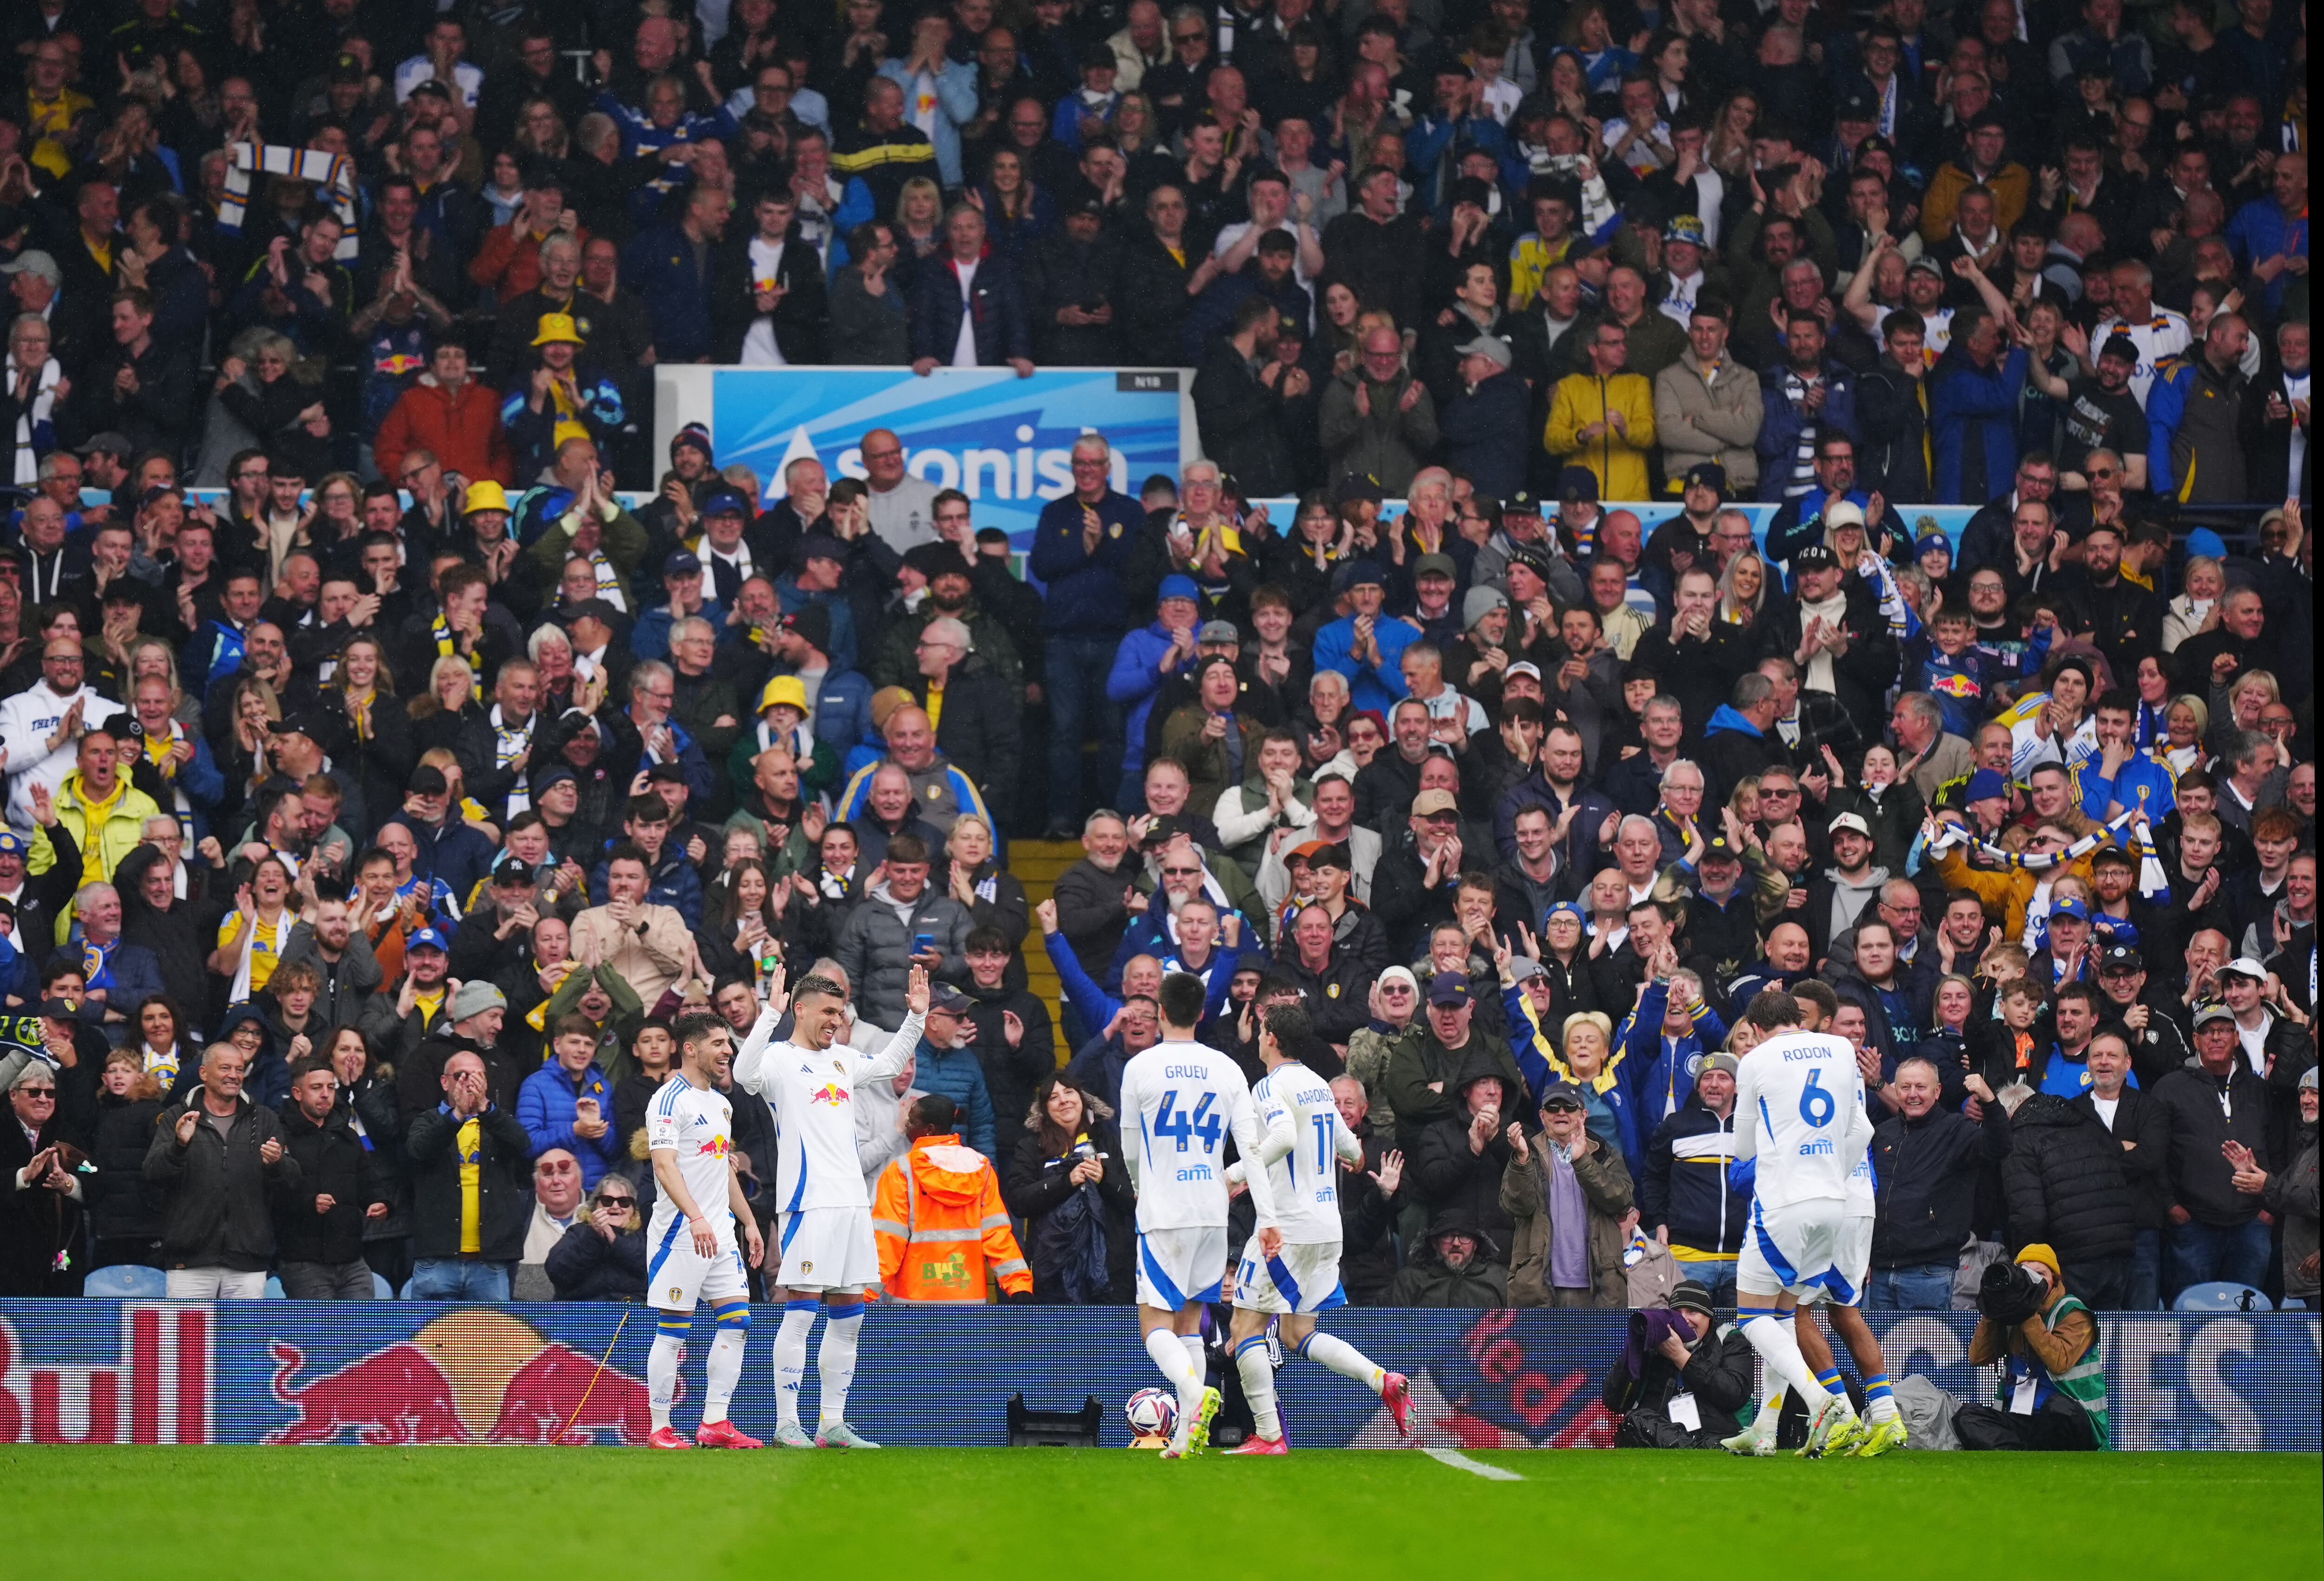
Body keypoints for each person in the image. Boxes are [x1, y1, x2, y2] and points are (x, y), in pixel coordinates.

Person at [732, 962, 930, 1449]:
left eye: (840, 1014)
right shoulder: (777, 1059)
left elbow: (886, 1065)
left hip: (851, 1206)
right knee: (799, 1315)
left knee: (849, 1316)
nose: (834, 1022)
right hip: (809, 1204)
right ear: (799, 1010)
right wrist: (767, 1015)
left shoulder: (843, 1060)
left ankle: (831, 1424)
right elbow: (741, 1074)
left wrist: (917, 1019)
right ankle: (785, 1423)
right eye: (826, 1012)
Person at [1221, 1001, 1412, 1454]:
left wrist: (1236, 1175)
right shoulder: (1318, 1086)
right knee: (1295, 1334)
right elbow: (1350, 1149)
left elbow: (1283, 1137)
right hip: (1327, 1228)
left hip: (1286, 1227)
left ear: (1268, 1037)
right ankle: (1382, 1380)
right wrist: (1348, 1159)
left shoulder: (1269, 1087)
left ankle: (1269, 1437)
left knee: (1244, 1330)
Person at [1724, 990, 1904, 1458]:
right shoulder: (1841, 1050)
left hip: (1782, 1203)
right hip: (1833, 1202)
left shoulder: (1757, 1060)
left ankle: (1826, 1404)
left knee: (1752, 1317)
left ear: (1757, 1028)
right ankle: (1764, 1428)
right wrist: (1829, 1172)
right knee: (1786, 1314)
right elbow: (1861, 1130)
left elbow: (1743, 1149)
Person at [1117, 970, 1277, 1458]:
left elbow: (1128, 1148)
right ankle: (1190, 1434)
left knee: (1154, 1327)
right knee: (1191, 1323)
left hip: (1165, 1209)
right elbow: (1251, 1149)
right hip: (1213, 1210)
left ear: (1160, 1012)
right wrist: (1266, 1216)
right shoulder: (1227, 1068)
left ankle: (1191, 1393)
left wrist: (1144, 1190)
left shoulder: (1141, 1067)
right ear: (1202, 1013)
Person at [642, 1009, 768, 1449]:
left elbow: (722, 1170)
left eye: (728, 1044)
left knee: (737, 1321)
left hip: (719, 1232)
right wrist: (695, 1217)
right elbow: (664, 1165)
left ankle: (715, 1423)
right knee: (674, 1328)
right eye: (719, 1044)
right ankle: (659, 1427)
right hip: (681, 1232)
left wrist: (749, 1222)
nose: (728, 1051)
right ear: (690, 1049)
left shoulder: (721, 1103)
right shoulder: (668, 1100)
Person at [142, 1041, 298, 1300]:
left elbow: (293, 1181)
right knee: (189, 1343)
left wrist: (278, 1164)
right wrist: (179, 1146)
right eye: (225, 1068)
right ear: (204, 1073)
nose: (234, 1075)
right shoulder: (177, 1116)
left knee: (244, 1341)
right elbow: (152, 1173)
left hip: (248, 1263)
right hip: (189, 1262)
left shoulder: (265, 1119)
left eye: (239, 1069)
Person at [872, 1092, 1033, 1303]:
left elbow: (889, 1240)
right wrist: (1019, 1286)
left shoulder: (903, 1170)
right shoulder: (980, 1167)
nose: (907, 1126)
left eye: (912, 1121)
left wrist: (864, 1294)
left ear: (929, 1129)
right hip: (968, 1301)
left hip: (911, 1305)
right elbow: (998, 1236)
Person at [404, 1047, 533, 1301]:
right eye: (462, 1076)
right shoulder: (428, 1121)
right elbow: (418, 1151)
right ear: (445, 1082)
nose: (470, 1084)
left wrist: (485, 1108)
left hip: (489, 1262)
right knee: (430, 1341)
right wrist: (457, 1116)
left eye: (478, 1077)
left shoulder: (497, 1122)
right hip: (437, 1260)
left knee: (491, 1341)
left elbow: (523, 1145)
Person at [1955, 1244, 2108, 1450]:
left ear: (2055, 1280)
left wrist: (2027, 1313)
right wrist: (1992, 1310)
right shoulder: (2013, 1310)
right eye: (2026, 1273)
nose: (2033, 1279)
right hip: (2024, 1420)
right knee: (1968, 1416)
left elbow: (2059, 1362)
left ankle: (2027, 1452)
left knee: (2058, 1410)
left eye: (2041, 1273)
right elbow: (1978, 1357)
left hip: (2069, 1420)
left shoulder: (2074, 1313)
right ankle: (2021, 1456)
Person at [1503, 1076, 1637, 1308]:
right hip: (1538, 1288)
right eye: (1553, 1108)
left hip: (1599, 1288)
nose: (1561, 1113)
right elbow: (1515, 1205)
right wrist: (1522, 1161)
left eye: (1570, 1107)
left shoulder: (1605, 1152)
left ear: (1583, 1115)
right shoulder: (1527, 1153)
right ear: (1542, 1116)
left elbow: (1622, 1201)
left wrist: (1583, 1162)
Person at [273, 1056, 386, 1299]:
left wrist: (379, 1202)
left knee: (362, 1335)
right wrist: (310, 1203)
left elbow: (369, 1181)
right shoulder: (279, 1134)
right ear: (297, 1093)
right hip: (303, 1262)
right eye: (316, 1088)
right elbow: (269, 1193)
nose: (326, 1094)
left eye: (331, 1087)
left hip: (352, 1260)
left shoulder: (347, 1135)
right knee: (321, 1337)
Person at [1602, 1278, 1757, 1448]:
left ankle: (1698, 1448)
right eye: (1677, 1313)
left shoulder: (1730, 1339)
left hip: (1717, 1431)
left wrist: (1682, 1358)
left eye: (1692, 1312)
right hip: (1662, 1433)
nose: (1684, 1321)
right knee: (1635, 1421)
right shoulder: (1657, 1340)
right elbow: (1615, 1403)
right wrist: (1634, 1350)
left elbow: (1735, 1395)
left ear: (1708, 1316)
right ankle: (1697, 1449)